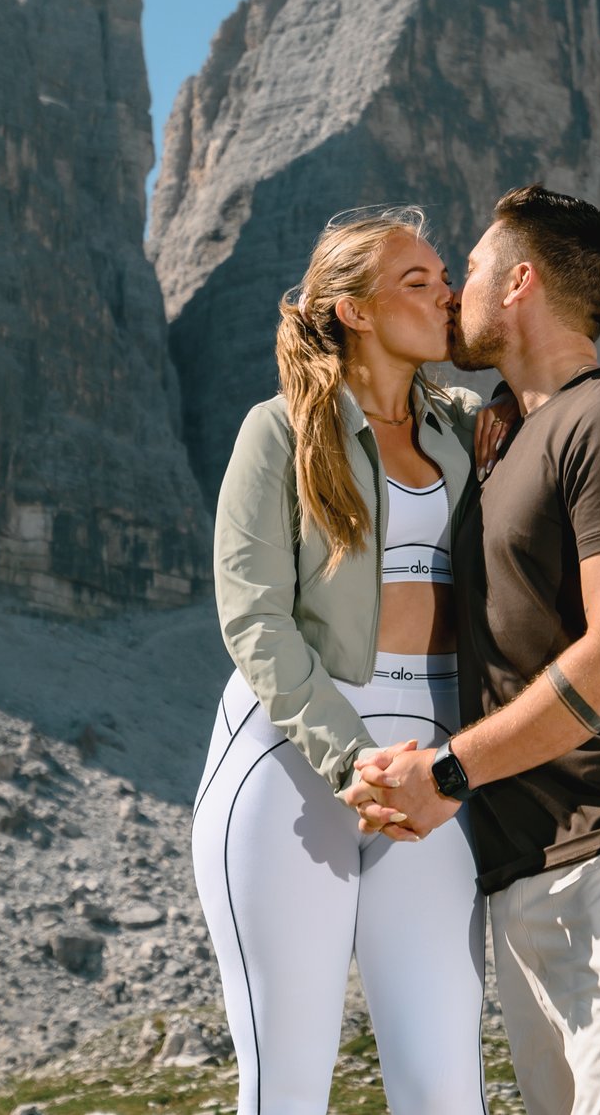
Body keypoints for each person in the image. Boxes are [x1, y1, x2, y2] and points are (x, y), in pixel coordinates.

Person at [349, 185, 600, 1115]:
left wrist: (447, 774)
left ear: (522, 281)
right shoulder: (497, 442)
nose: (455, 293)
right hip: (529, 878)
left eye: (473, 270)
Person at [190, 207, 494, 1115]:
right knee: (286, 1085)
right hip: (293, 758)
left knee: (447, 1087)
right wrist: (347, 755)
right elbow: (253, 619)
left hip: (434, 770)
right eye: (417, 279)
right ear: (353, 310)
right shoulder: (277, 432)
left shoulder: (471, 429)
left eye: (446, 274)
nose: (445, 291)